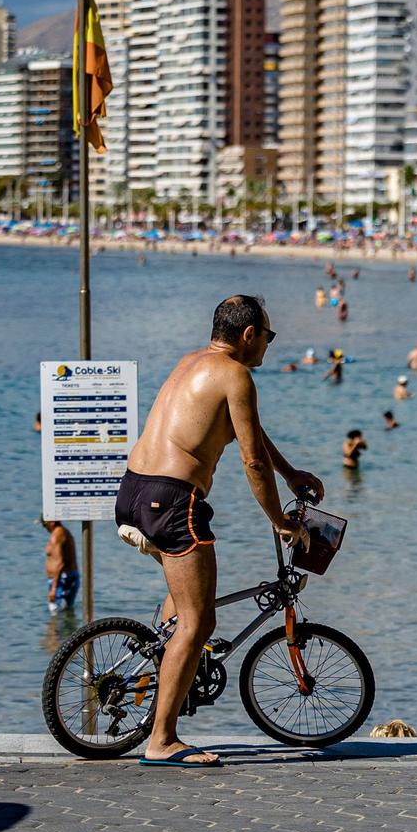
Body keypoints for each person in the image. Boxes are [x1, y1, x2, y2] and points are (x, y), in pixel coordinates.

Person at [114, 294, 322, 766]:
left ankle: (164, 666)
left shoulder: (193, 363)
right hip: (172, 500)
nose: (269, 345)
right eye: (268, 335)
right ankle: (161, 740)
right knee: (200, 621)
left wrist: (290, 473)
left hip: (134, 490)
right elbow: (250, 460)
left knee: (182, 611)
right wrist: (280, 520)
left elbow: (248, 432)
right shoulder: (237, 374)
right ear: (249, 335)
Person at [42, 518, 79, 613]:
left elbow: (59, 563)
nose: (44, 528)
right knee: (65, 613)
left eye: (44, 524)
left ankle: (54, 628)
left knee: (55, 614)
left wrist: (54, 588)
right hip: (64, 578)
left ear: (52, 522)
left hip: (61, 580)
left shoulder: (57, 536)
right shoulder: (62, 532)